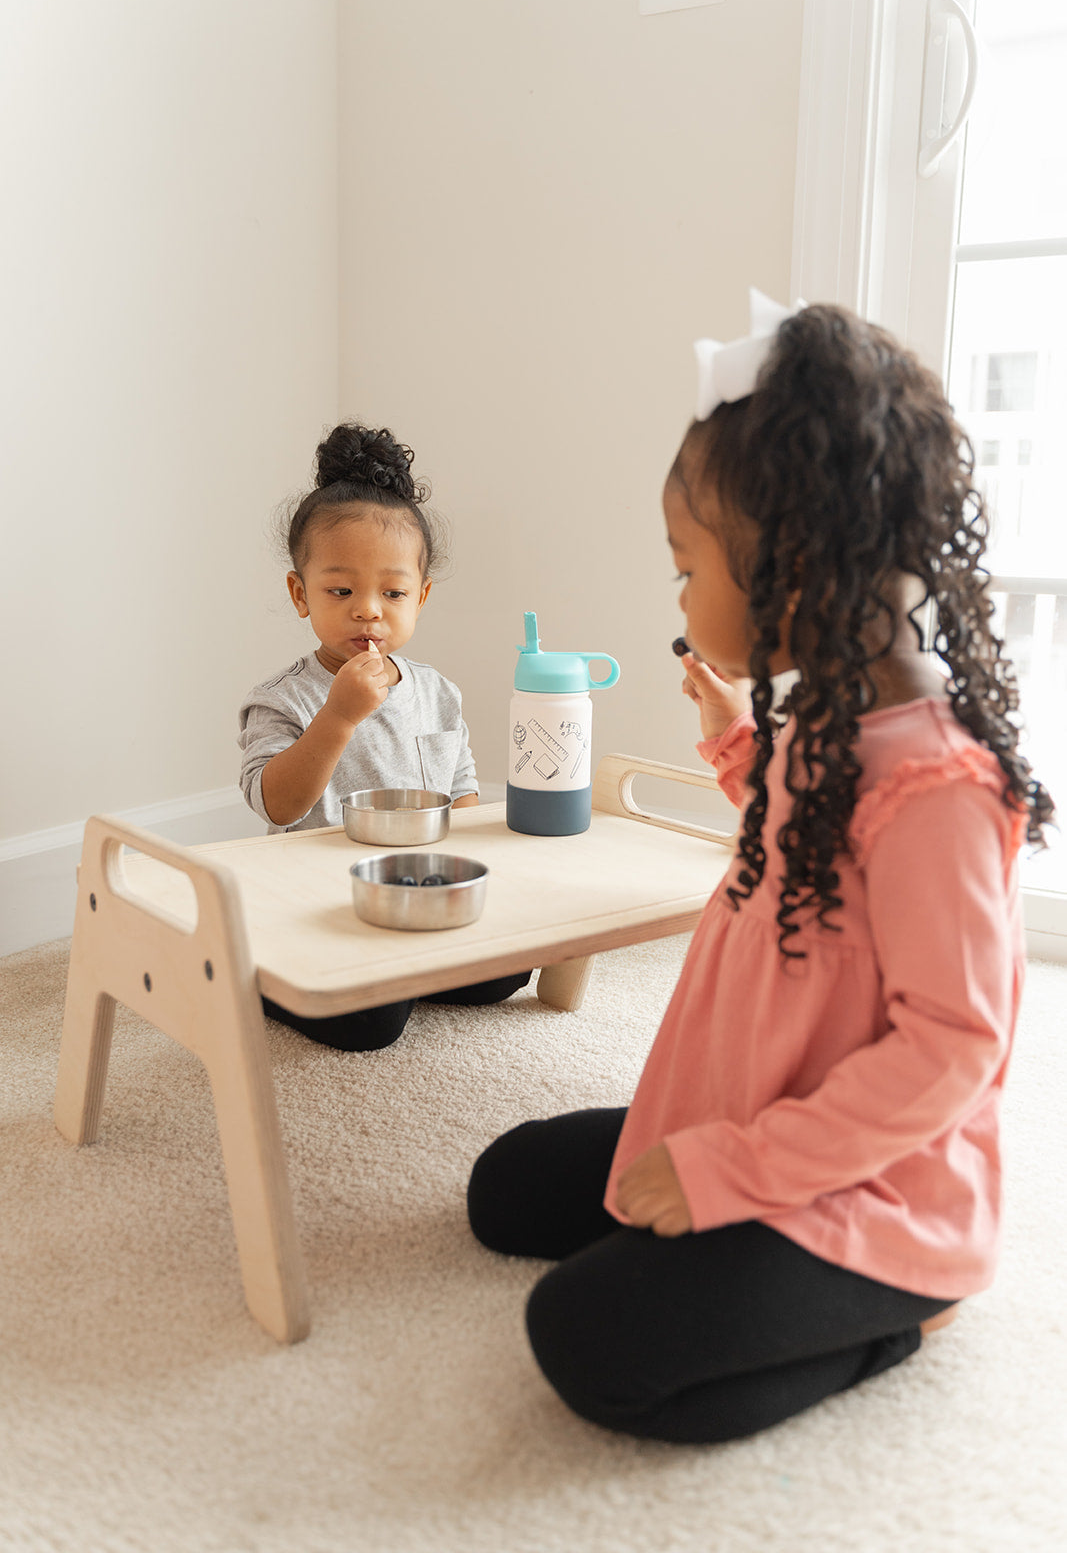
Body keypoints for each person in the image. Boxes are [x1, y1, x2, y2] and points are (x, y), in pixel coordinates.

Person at [466, 297, 1054, 1444]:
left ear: (789, 568)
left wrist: (733, 1168)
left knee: (585, 1339)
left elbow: (951, 1046)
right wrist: (744, 744)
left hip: (877, 1190)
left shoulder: (937, 786)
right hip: (765, 1101)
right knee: (505, 1188)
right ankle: (731, 1212)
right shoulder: (833, 718)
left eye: (686, 566)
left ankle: (900, 1312)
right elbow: (810, 862)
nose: (677, 595)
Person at [239, 421, 528, 1051]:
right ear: (300, 594)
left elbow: (460, 794)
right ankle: (263, 976)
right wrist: (338, 717)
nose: (368, 609)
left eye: (392, 592)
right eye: (341, 590)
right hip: (315, 906)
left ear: (419, 598)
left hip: (411, 895)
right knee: (369, 1025)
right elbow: (276, 803)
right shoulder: (283, 697)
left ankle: (403, 971)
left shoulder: (436, 691)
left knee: (509, 972)